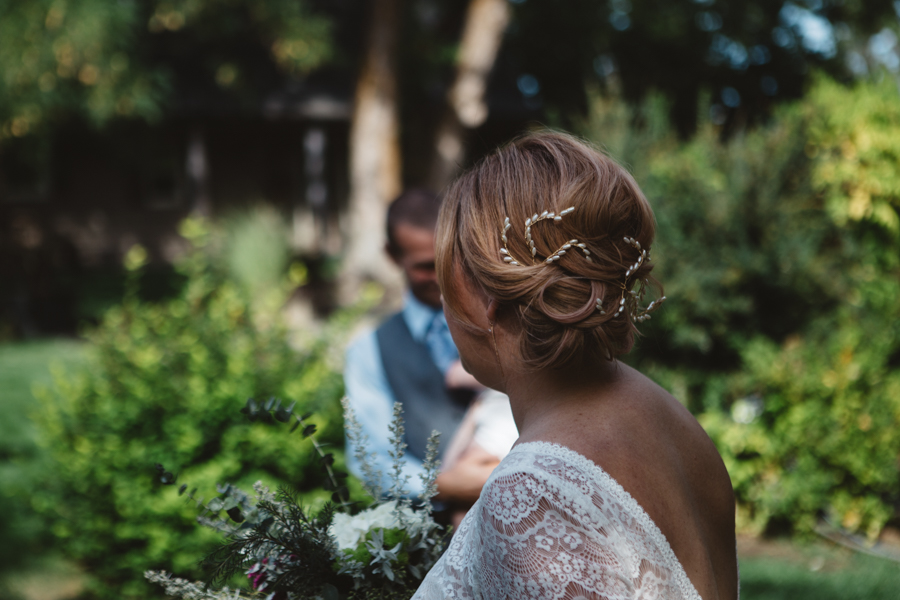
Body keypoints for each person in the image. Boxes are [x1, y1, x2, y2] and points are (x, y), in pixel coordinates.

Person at [414, 132, 738, 599]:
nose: (442, 302)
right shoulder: (670, 418)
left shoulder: (529, 494)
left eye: (448, 278)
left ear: (484, 297)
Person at [343, 189, 516, 512]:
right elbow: (370, 458)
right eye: (425, 266)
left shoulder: (503, 315)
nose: (440, 278)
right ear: (392, 256)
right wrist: (448, 486)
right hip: (435, 534)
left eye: (448, 259)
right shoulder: (369, 350)